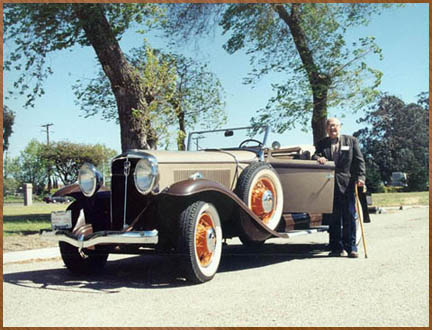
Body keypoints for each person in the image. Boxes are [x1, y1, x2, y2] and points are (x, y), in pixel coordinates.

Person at [313, 117, 366, 258]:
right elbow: (315, 155)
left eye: (335, 126)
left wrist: (361, 178)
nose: (332, 129)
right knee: (333, 218)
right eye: (330, 126)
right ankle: (336, 248)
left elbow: (359, 161)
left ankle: (352, 248)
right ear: (326, 129)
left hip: (348, 184)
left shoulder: (351, 141)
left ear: (340, 127)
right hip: (328, 185)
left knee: (349, 215)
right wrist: (318, 158)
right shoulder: (322, 143)